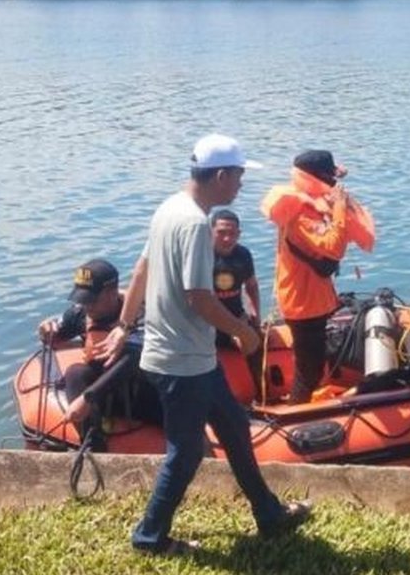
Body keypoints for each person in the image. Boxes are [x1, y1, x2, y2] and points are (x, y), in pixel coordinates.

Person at [99, 133, 312, 557]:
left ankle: (269, 514)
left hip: (192, 357)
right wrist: (243, 330)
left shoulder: (168, 209)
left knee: (234, 427)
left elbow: (141, 269)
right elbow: (199, 296)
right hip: (181, 362)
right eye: (237, 176)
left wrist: (125, 325)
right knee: (186, 453)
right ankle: (150, 536)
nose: (240, 185)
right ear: (219, 175)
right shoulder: (195, 223)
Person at [261, 150, 375, 404]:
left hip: (313, 299)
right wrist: (340, 208)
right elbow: (332, 246)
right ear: (318, 177)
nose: (335, 183)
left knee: (313, 363)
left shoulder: (310, 202)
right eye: (330, 176)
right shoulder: (301, 213)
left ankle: (305, 406)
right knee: (308, 371)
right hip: (303, 303)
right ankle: (296, 419)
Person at [36, 258, 158, 450]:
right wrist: (46, 330)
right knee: (75, 372)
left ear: (111, 293)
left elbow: (134, 358)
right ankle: (93, 444)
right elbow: (56, 334)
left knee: (131, 354)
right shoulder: (81, 314)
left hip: (143, 393)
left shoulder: (142, 313)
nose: (87, 306)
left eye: (91, 300)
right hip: (105, 398)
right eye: (82, 300)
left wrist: (87, 398)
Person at [210, 209, 265, 396]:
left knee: (256, 342)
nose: (227, 239)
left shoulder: (243, 254)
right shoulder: (201, 258)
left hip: (236, 319)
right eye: (221, 233)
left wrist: (256, 315)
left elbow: (251, 286)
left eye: (232, 233)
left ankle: (261, 394)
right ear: (210, 232)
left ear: (239, 234)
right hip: (207, 324)